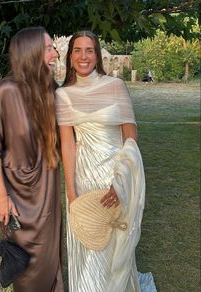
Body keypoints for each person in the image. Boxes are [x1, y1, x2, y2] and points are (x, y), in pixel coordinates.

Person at [55, 31, 156, 292]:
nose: (83, 56)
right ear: (70, 56)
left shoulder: (115, 86)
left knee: (115, 244)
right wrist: (71, 191)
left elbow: (130, 134)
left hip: (115, 175)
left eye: (89, 50)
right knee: (88, 244)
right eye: (77, 50)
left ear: (98, 55)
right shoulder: (63, 95)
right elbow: (68, 143)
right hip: (83, 178)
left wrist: (122, 179)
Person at [0, 27, 64, 292]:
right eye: (49, 48)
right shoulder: (6, 91)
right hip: (17, 196)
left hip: (48, 192)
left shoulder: (51, 89)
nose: (55, 53)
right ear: (32, 51)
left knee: (52, 263)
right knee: (27, 271)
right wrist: (0, 195)